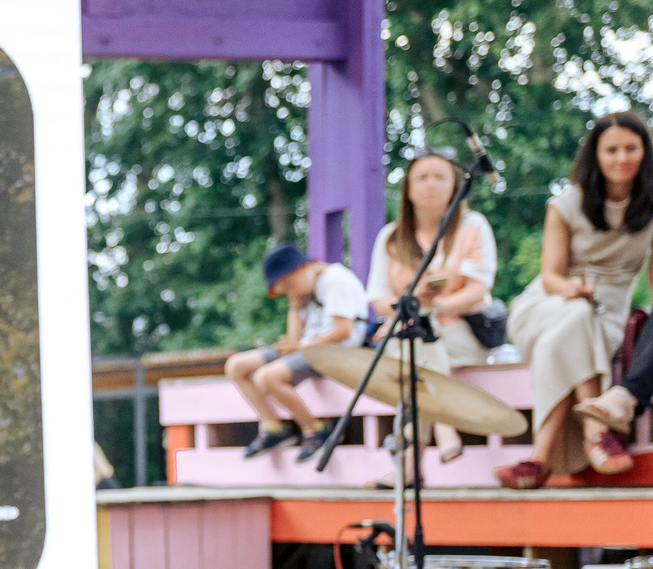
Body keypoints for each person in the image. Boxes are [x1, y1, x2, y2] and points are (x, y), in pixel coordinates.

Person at [498, 110, 653, 488]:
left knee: (574, 328)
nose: (621, 158)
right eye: (611, 149)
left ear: (645, 153)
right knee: (577, 316)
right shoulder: (565, 205)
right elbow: (551, 275)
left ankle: (538, 459)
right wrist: (570, 290)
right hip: (550, 302)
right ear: (595, 156)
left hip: (608, 309)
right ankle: (597, 431)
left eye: (631, 148)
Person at [363, 150, 498, 467]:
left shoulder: (472, 226)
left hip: (461, 331)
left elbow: (479, 288)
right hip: (410, 335)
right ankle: (444, 428)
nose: (431, 184)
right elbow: (379, 300)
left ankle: (411, 464)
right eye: (422, 177)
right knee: (414, 344)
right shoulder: (390, 237)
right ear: (408, 188)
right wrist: (411, 303)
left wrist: (435, 305)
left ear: (455, 185)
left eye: (440, 176)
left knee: (413, 349)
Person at [225, 243, 371, 461]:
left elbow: (343, 331)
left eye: (289, 286)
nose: (289, 293)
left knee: (267, 377)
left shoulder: (334, 280)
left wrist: (300, 347)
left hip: (335, 352)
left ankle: (316, 428)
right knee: (236, 366)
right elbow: (294, 339)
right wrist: (294, 306)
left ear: (299, 269)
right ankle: (273, 427)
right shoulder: (306, 291)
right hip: (309, 349)